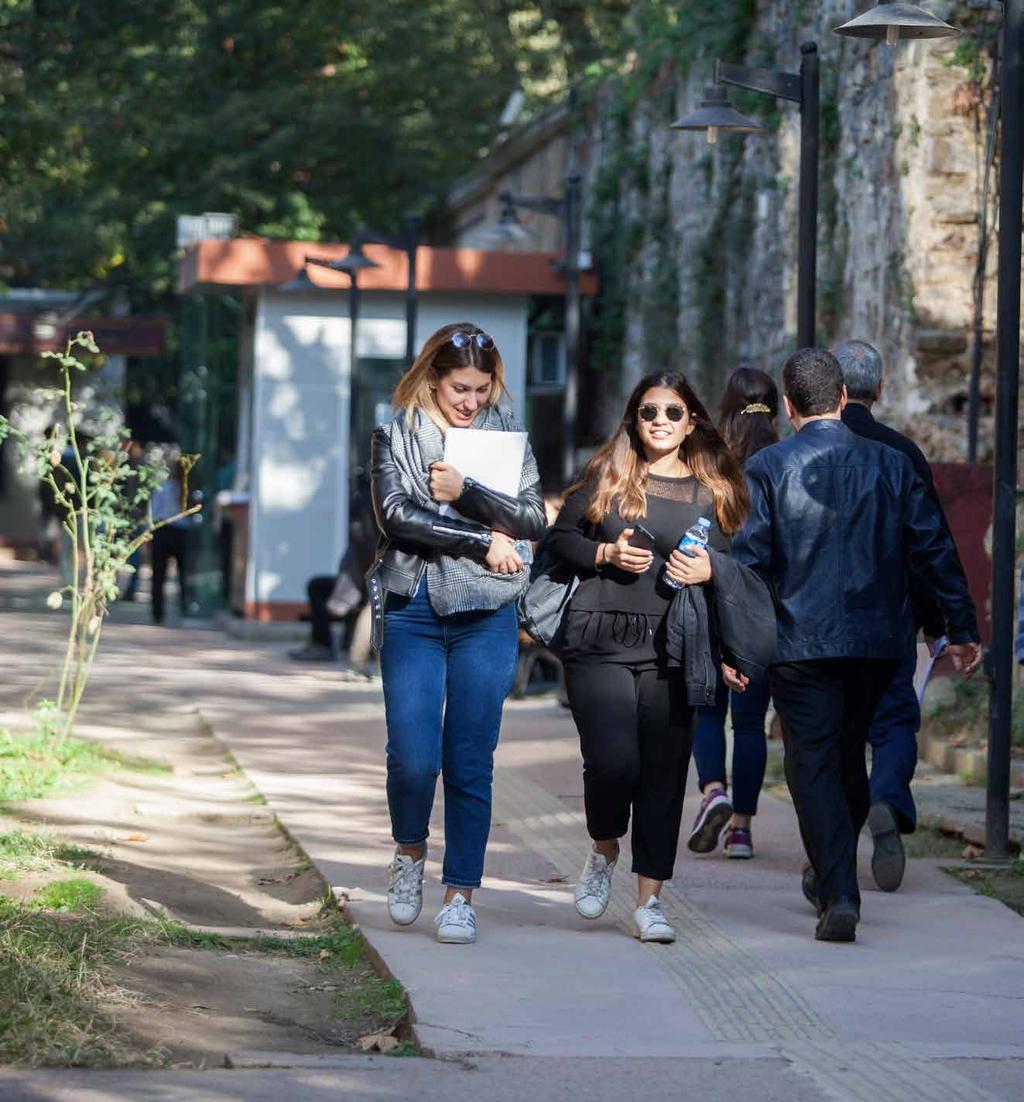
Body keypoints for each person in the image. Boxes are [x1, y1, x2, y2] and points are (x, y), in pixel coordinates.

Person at [732, 348, 981, 943]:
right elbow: (935, 548)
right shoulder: (890, 463)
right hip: (878, 641)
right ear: (844, 398)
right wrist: (962, 626)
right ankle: (831, 877)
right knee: (847, 757)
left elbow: (749, 563)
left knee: (813, 764)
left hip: (800, 642)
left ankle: (838, 887)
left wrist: (737, 645)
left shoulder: (767, 467)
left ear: (789, 407)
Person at [548, 372, 749, 943]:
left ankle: (650, 901)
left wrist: (711, 572)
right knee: (614, 764)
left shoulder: (715, 491)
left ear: (692, 423)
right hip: (599, 636)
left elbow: (735, 568)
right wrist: (604, 551)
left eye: (672, 412)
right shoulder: (609, 476)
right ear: (634, 419)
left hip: (677, 645)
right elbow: (560, 540)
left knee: (664, 774)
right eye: (648, 412)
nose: (659, 421)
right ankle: (604, 846)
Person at [370, 322, 546, 945]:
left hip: (486, 613)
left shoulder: (506, 439)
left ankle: (460, 893)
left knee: (471, 759)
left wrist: (468, 491)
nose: (471, 401)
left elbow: (533, 515)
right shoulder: (394, 436)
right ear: (432, 381)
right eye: (458, 389)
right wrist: (482, 537)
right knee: (413, 758)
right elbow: (397, 517)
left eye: (481, 388)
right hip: (414, 608)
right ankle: (409, 853)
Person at [834, 339, 972, 892]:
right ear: (881, 389)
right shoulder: (902, 454)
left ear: (833, 388)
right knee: (892, 722)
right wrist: (949, 623)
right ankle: (888, 797)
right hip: (891, 619)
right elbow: (932, 546)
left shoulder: (807, 451)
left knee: (833, 733)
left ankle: (834, 843)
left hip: (820, 625)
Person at [689, 367, 779, 861]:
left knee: (707, 709)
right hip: (760, 607)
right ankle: (741, 830)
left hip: (710, 597)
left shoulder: (710, 466)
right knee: (749, 723)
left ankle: (712, 793)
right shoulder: (785, 462)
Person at [289, 487, 377, 666]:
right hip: (356, 585)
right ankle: (324, 644)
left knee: (320, 588)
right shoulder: (364, 534)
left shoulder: (371, 534)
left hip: (368, 586)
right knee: (317, 586)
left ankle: (348, 657)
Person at [149, 456, 193, 624]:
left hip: (163, 531)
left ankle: (157, 613)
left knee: (159, 575)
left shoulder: (164, 487)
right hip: (181, 533)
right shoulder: (188, 489)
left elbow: (154, 511)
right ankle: (184, 607)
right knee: (184, 574)